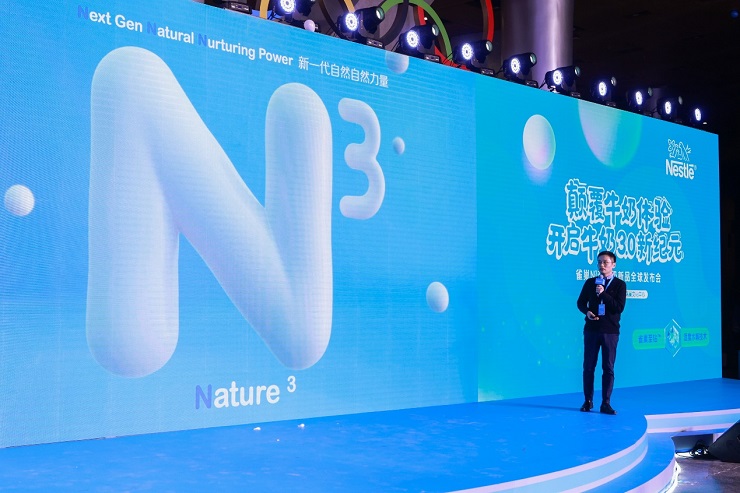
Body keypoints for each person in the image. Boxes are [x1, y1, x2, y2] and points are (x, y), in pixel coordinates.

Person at [577, 250, 626, 415]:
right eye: (599, 262)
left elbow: (619, 307)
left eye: (605, 262)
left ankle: (606, 403)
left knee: (608, 367)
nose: (602, 265)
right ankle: (588, 401)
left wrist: (603, 293)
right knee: (588, 367)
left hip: (610, 332)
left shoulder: (620, 285)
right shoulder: (590, 282)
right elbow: (580, 303)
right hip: (591, 330)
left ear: (613, 264)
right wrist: (587, 312)